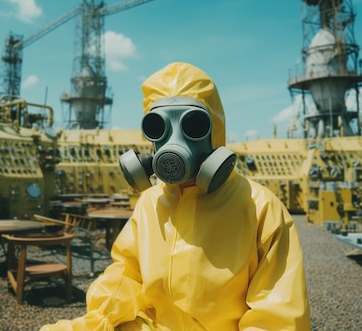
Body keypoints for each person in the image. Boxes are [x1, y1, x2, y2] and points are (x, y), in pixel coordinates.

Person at [39, 62, 311, 331]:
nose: (174, 141)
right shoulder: (150, 202)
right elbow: (128, 271)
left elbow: (277, 319)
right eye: (158, 127)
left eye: (193, 125)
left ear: (215, 130)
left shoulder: (260, 208)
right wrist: (104, 317)